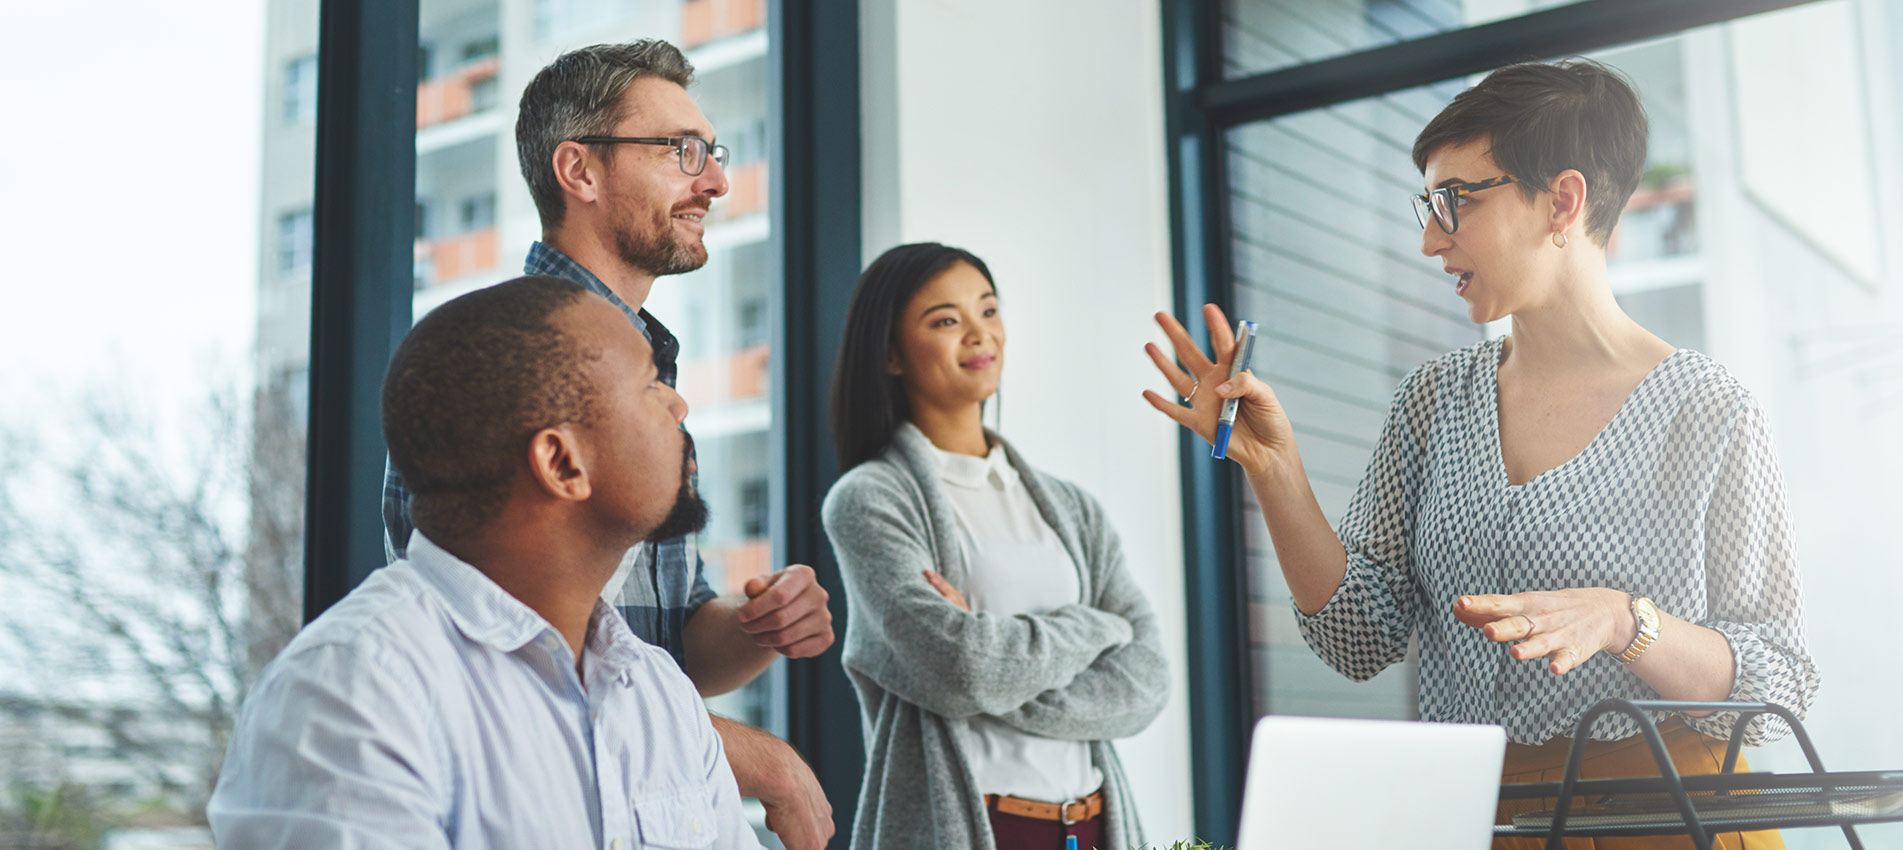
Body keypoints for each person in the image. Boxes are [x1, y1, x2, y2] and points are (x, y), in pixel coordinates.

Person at [1144, 61, 1820, 849]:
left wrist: (1623, 622)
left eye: (1454, 201)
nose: (1430, 239)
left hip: (1672, 814)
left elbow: (1781, 677)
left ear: (1562, 200)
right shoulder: (1432, 400)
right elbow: (1358, 638)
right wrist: (1275, 470)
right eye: (1427, 205)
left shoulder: (1708, 408)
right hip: (1479, 813)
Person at [380, 41, 833, 847]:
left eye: (714, 154)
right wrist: (761, 761)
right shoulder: (497, 365)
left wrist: (755, 626)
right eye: (681, 152)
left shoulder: (650, 386)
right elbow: (510, 671)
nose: (717, 182)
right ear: (580, 171)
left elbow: (668, 643)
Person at [210, 276, 763, 849]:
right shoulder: (351, 692)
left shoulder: (657, 692)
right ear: (562, 463)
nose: (679, 406)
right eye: (650, 387)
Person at [821, 243, 1169, 850]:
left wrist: (993, 658)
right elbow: (964, 670)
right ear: (891, 354)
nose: (980, 335)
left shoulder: (1072, 507)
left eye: (988, 310)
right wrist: (1096, 628)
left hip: (1091, 828)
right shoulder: (869, 500)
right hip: (972, 826)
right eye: (947, 321)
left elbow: (1146, 684)